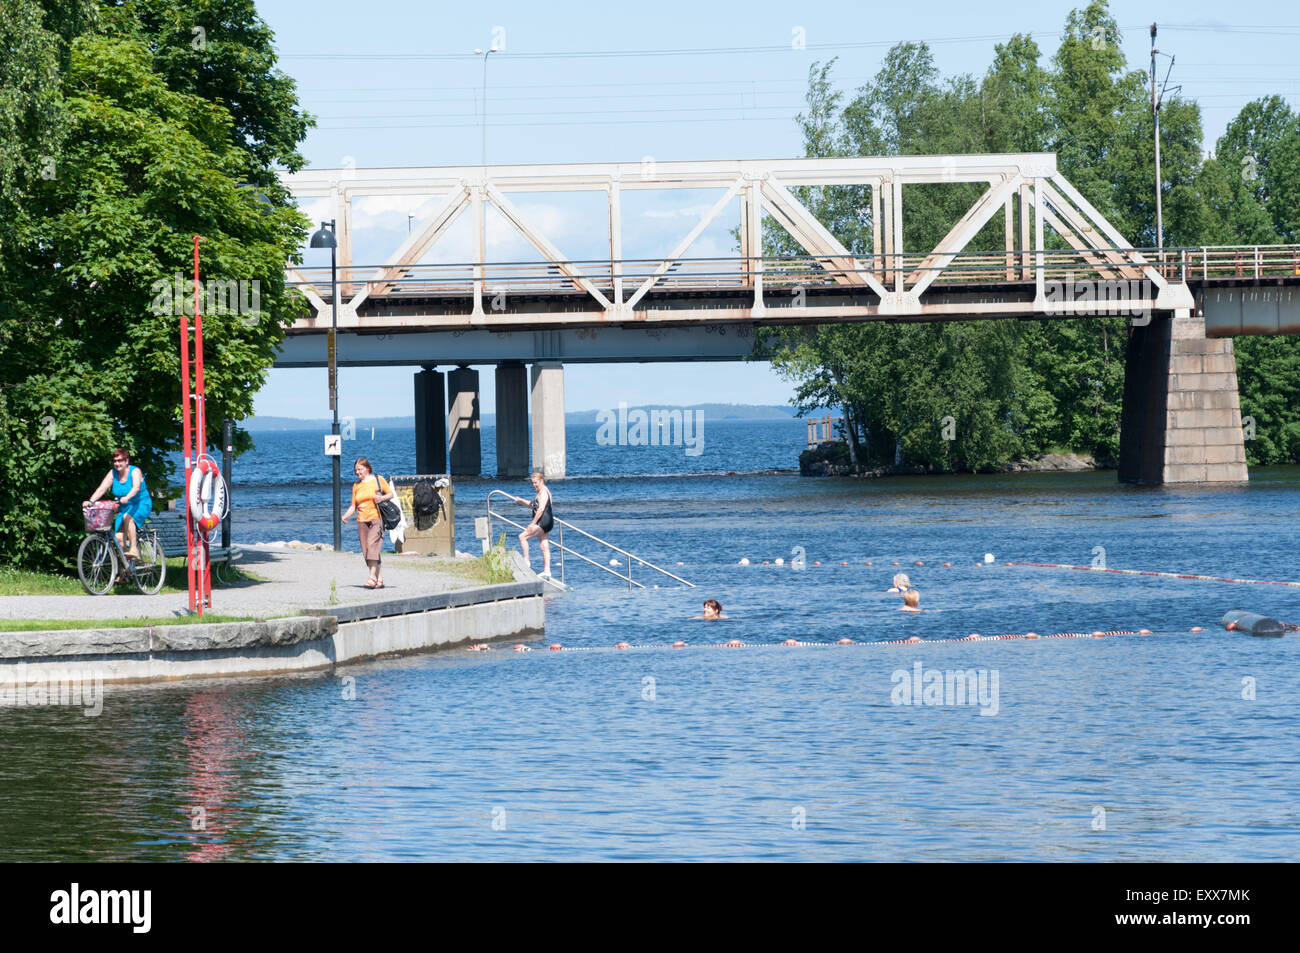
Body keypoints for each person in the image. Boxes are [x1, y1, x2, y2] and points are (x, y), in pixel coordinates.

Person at [85, 448, 152, 562]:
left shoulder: (135, 471)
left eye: (120, 460)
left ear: (127, 461)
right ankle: (127, 570)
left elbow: (136, 488)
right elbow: (102, 489)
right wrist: (90, 502)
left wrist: (127, 497)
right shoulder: (113, 473)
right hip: (125, 507)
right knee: (119, 539)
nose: (117, 463)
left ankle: (134, 549)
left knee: (127, 517)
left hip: (140, 504)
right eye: (115, 461)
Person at [341, 457, 394, 589]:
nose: (357, 472)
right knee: (367, 551)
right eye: (355, 470)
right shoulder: (356, 486)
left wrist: (381, 498)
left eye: (360, 469)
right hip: (362, 521)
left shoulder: (378, 479)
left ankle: (372, 578)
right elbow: (354, 505)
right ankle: (379, 579)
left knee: (372, 545)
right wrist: (345, 516)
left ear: (367, 468)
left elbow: (391, 494)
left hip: (377, 518)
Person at [513, 470, 553, 580]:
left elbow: (540, 510)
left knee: (522, 537)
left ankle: (526, 561)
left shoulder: (544, 492)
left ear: (542, 481)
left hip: (543, 522)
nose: (534, 485)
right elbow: (532, 506)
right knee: (544, 546)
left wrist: (532, 524)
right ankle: (547, 571)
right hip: (547, 522)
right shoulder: (540, 493)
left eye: (536, 482)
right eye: (532, 483)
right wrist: (520, 500)